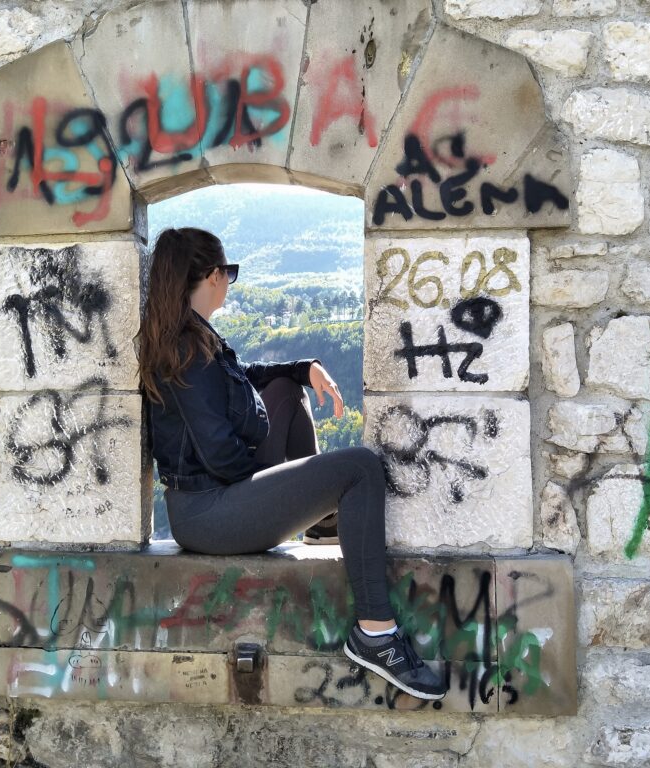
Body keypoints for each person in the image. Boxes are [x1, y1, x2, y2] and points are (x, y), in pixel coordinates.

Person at [135, 227, 447, 701]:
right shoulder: (186, 349)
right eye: (230, 274)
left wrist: (302, 369)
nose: (229, 283)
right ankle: (376, 634)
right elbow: (220, 454)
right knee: (361, 466)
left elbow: (247, 379)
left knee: (284, 389)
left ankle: (321, 524)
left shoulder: (192, 337)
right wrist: (275, 488)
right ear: (215, 275)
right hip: (209, 514)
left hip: (207, 501)